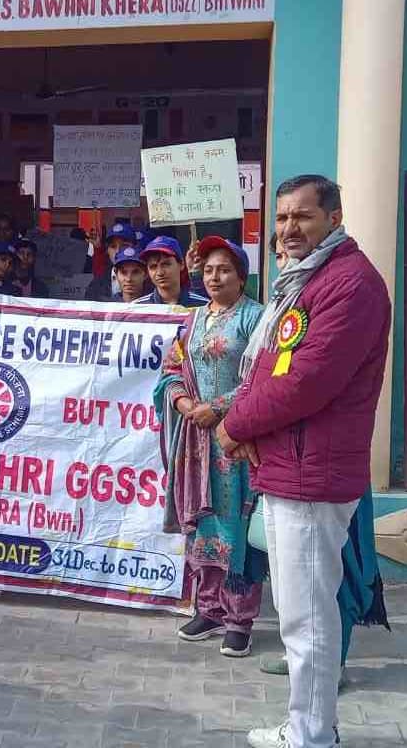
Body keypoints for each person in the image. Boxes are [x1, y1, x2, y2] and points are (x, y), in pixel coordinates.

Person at [217, 175, 390, 748]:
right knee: (299, 611)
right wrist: (248, 421)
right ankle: (307, 727)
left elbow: (305, 382)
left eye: (303, 216)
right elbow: (271, 366)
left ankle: (312, 735)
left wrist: (235, 425)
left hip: (312, 472)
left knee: (308, 616)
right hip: (292, 463)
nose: (289, 228)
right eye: (282, 217)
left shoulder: (350, 284)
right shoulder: (306, 279)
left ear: (334, 218)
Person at [153, 237, 265, 658]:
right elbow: (170, 370)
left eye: (225, 270)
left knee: (237, 527)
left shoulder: (255, 318)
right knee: (204, 526)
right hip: (196, 443)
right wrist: (184, 403)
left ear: (241, 276)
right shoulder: (193, 319)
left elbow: (262, 378)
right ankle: (209, 608)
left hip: (236, 440)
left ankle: (240, 619)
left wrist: (217, 408)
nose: (215, 278)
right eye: (209, 270)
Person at [132, 236, 209, 308]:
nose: (160, 273)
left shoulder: (204, 306)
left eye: (166, 264)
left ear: (181, 264)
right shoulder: (136, 308)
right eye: (153, 267)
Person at [84, 222, 137, 300]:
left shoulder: (148, 283)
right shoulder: (96, 284)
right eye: (113, 246)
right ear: (107, 250)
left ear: (135, 248)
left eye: (124, 245)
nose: (117, 251)